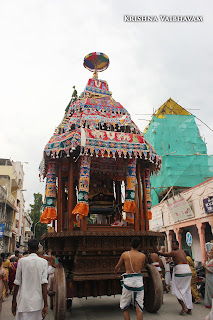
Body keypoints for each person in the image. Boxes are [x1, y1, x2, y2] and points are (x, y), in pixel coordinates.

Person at [12, 238, 48, 320]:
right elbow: (44, 284)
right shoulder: (44, 262)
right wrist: (46, 305)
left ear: (28, 248)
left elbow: (17, 283)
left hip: (24, 302)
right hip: (37, 303)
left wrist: (14, 302)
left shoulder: (22, 261)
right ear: (38, 248)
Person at [154, 240, 193, 315]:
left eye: (173, 245)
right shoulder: (182, 251)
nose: (172, 247)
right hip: (187, 271)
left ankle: (184, 307)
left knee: (177, 289)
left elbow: (163, 254)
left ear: (177, 245)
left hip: (180, 271)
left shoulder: (174, 252)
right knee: (187, 290)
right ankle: (189, 309)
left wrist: (156, 250)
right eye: (172, 245)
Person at [114, 237, 146, 320]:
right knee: (139, 308)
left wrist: (115, 271)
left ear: (130, 244)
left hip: (128, 282)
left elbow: (117, 267)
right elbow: (141, 267)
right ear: (139, 246)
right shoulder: (143, 256)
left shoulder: (125, 254)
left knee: (125, 307)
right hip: (139, 282)